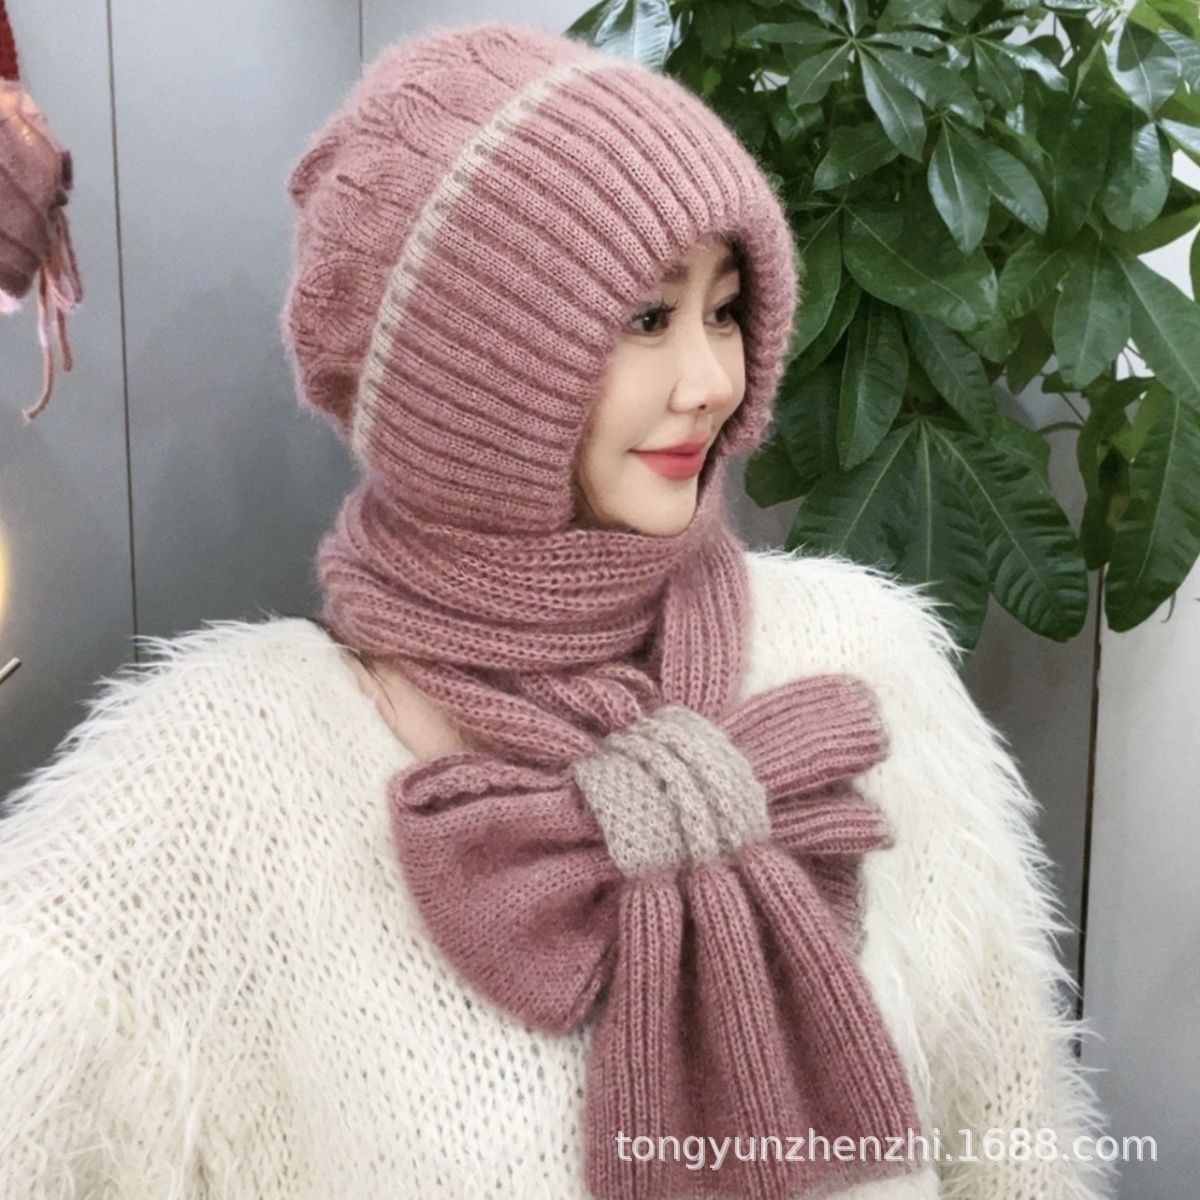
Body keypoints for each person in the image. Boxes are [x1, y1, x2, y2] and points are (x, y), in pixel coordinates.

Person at [0, 20, 1115, 1200]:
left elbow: (1014, 1137)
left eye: (725, 308)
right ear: (469, 373)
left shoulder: (859, 663)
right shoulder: (225, 777)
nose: (714, 380)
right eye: (647, 319)